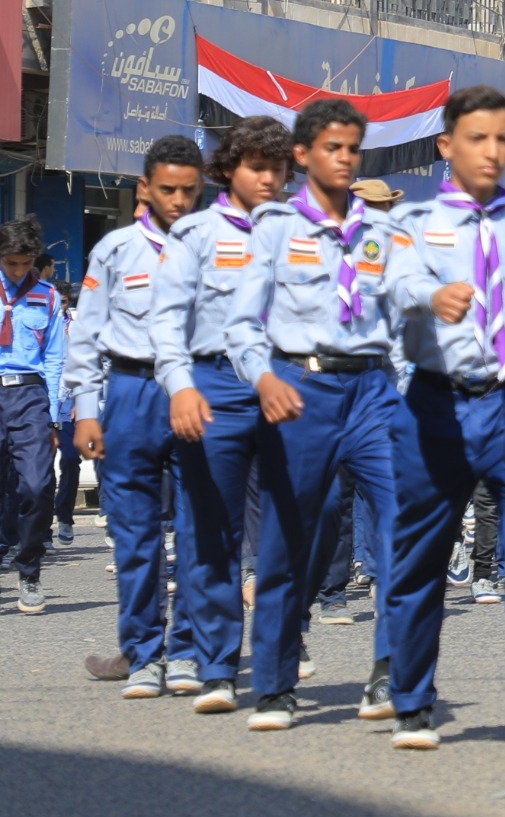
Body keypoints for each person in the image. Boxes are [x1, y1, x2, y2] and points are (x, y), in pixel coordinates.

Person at [225, 98, 404, 732]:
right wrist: (265, 377)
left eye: (354, 148)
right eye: (333, 147)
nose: (346, 159)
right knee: (293, 529)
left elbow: (406, 310)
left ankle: (392, 669)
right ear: (302, 155)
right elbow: (241, 325)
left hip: (374, 390)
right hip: (304, 387)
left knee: (402, 518)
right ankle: (275, 681)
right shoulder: (272, 229)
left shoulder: (382, 233)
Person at [378, 85, 505, 750]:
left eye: (503, 138)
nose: (493, 151)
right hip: (436, 402)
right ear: (447, 145)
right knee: (420, 555)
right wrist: (431, 293)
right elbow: (397, 279)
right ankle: (411, 696)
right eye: (478, 138)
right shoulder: (413, 222)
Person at [152, 116, 294, 715]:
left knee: (292, 527)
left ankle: (279, 656)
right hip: (214, 387)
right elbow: (165, 321)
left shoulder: (303, 230)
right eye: (256, 166)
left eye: (277, 168)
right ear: (228, 170)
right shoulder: (197, 235)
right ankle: (214, 665)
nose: (268, 178)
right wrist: (181, 387)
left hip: (289, 387)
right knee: (212, 530)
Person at [68, 135, 207, 697]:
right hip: (129, 394)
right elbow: (86, 335)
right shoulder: (116, 249)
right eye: (167, 189)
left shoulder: (215, 248)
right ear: (144, 188)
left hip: (197, 394)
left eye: (189, 191)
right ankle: (144, 653)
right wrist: (85, 409)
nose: (177, 200)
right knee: (135, 533)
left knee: (202, 530)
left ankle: (191, 652)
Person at [0, 217, 67, 615]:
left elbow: (55, 358)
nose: (18, 271)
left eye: (25, 264)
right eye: (11, 263)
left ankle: (29, 569)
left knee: (39, 484)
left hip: (30, 394)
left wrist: (55, 415)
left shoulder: (47, 296)